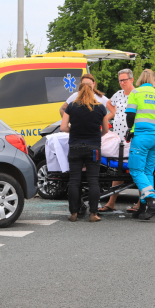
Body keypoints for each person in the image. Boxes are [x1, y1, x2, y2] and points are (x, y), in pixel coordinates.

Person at [61, 83, 110, 223]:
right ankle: (93, 214)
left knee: (74, 181)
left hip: (75, 146)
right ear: (93, 92)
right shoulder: (100, 108)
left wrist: (75, 131)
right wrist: (96, 134)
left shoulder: (71, 106)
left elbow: (63, 126)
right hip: (94, 148)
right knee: (93, 180)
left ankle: (73, 213)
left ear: (79, 92)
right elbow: (106, 130)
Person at [125, 68, 155, 221]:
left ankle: (153, 202)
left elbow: (130, 116)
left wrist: (131, 130)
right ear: (153, 80)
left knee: (136, 170)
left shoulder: (136, 93)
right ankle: (144, 207)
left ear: (139, 80)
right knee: (147, 172)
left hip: (142, 138)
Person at [99, 69, 135, 213]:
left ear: (132, 80)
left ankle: (140, 202)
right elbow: (109, 103)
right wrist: (113, 113)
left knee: (135, 170)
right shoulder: (118, 94)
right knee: (117, 170)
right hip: (118, 137)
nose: (122, 83)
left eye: (124, 80)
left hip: (131, 137)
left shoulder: (136, 95)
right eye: (120, 80)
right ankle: (111, 203)